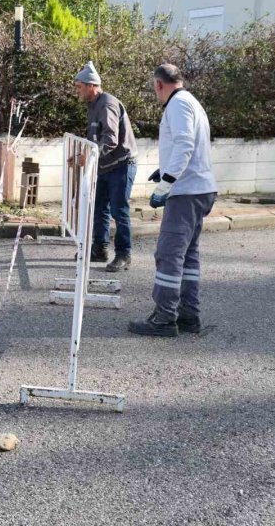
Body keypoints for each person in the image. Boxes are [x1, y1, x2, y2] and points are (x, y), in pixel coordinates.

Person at [129, 64, 218, 338]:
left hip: (186, 192)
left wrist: (166, 182)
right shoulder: (191, 101)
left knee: (169, 254)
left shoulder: (177, 105)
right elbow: (190, 145)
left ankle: (165, 318)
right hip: (200, 188)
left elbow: (184, 144)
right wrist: (165, 169)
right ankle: (189, 315)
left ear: (159, 84)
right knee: (188, 256)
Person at [73, 61, 138, 271]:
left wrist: (90, 158)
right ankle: (99, 249)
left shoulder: (107, 104)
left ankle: (123, 255)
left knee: (119, 211)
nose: (77, 91)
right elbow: (95, 139)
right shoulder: (93, 105)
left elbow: (110, 140)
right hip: (105, 166)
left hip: (121, 164)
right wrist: (80, 157)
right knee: (100, 208)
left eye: (79, 86)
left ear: (91, 85)